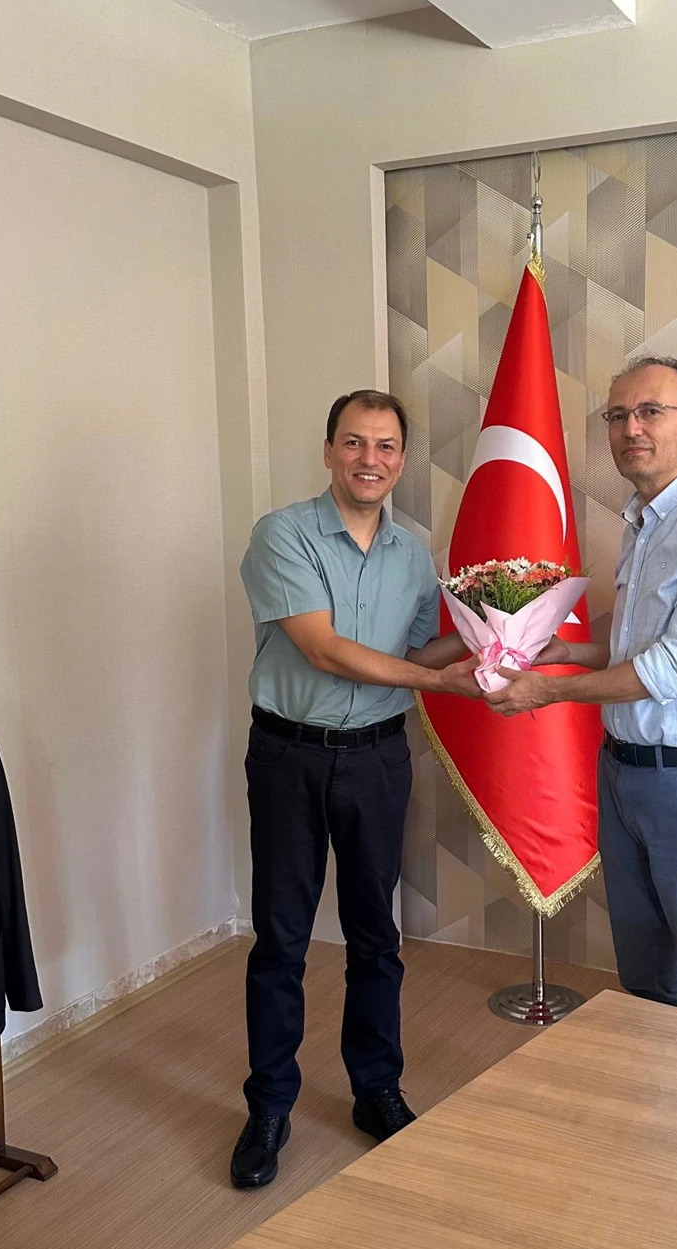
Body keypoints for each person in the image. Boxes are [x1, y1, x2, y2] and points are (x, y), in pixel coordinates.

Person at [232, 389, 477, 1190]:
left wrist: (494, 636)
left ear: (401, 460)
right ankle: (270, 1105)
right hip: (290, 757)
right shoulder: (282, 534)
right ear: (329, 451)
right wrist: (438, 682)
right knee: (282, 938)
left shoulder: (412, 556)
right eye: (354, 442)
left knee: (376, 935)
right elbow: (324, 649)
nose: (370, 459)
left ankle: (376, 1089)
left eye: (385, 446)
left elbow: (418, 652)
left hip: (377, 759)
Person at [486, 356, 677, 1029]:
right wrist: (566, 652)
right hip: (623, 777)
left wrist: (546, 693)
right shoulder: (644, 520)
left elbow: (669, 668)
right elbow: (636, 640)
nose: (631, 428)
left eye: (650, 412)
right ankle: (663, 1095)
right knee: (645, 978)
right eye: (618, 416)